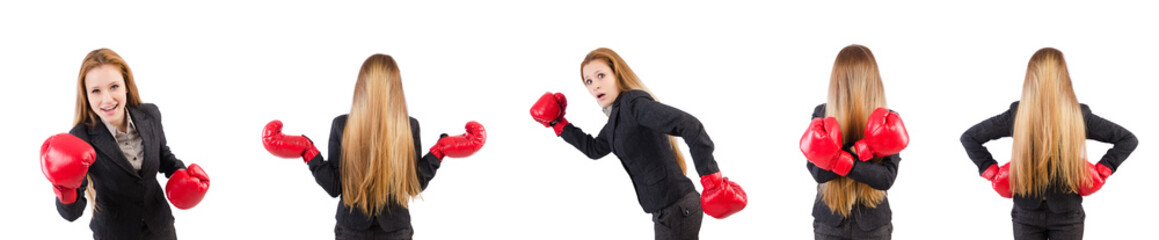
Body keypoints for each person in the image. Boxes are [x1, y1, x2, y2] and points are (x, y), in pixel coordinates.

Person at [529, 48, 747, 240]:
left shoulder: (634, 105)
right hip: (665, 211)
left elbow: (690, 125)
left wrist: (712, 180)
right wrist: (560, 124)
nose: (595, 85)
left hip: (678, 208)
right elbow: (594, 149)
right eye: (589, 81)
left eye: (601, 75)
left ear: (617, 74)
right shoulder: (617, 119)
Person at [262, 53, 486, 240]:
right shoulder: (358, 125)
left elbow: (336, 187)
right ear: (396, 88)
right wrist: (309, 153)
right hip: (378, 230)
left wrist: (438, 152)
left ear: (362, 85)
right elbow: (413, 186)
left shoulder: (404, 126)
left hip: (370, 230)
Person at [961, 47, 1137, 240]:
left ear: (1031, 77)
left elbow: (1127, 139)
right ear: (1064, 76)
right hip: (1027, 213)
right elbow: (970, 137)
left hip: (1066, 215)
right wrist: (992, 172)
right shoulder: (1019, 114)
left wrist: (1103, 169)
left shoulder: (1077, 115)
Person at [41, 48, 210, 239]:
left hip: (160, 229)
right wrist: (65, 189)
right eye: (96, 91)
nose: (107, 99)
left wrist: (184, 174)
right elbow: (72, 214)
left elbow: (164, 156)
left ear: (126, 86)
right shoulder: (80, 137)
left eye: (114, 86)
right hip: (114, 233)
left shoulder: (150, 115)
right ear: (86, 96)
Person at [798, 44, 907, 240]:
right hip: (830, 222)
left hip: (873, 224)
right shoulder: (821, 115)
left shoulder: (888, 120)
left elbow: (886, 178)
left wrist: (843, 158)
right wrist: (858, 150)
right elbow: (818, 174)